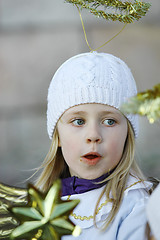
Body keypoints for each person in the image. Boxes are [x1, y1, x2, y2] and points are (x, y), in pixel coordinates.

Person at [35, 51, 152, 239]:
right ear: (57, 136)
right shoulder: (39, 205)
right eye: (79, 121)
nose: (93, 136)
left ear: (127, 134)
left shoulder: (135, 207)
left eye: (109, 121)